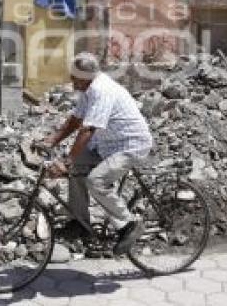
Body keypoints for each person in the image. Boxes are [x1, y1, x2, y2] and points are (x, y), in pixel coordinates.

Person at [39, 52, 153, 255]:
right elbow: (76, 120)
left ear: (86, 76)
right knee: (75, 168)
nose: (72, 83)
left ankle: (129, 225)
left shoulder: (102, 91)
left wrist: (67, 160)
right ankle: (79, 222)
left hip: (130, 145)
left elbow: (88, 129)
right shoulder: (88, 90)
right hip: (107, 144)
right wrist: (53, 140)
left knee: (95, 181)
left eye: (75, 79)